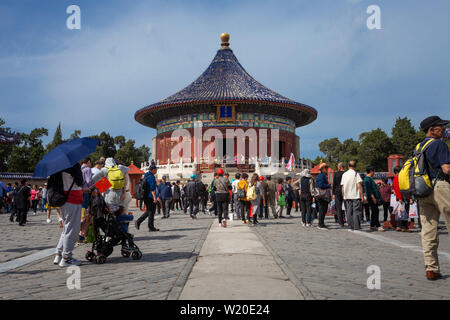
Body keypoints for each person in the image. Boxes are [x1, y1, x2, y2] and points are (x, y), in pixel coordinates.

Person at [416, 116, 450, 280]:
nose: (443, 129)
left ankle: (431, 269)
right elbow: (446, 168)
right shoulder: (439, 144)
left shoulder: (419, 146)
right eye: (440, 126)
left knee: (428, 231)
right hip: (440, 187)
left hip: (423, 190)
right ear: (432, 129)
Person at [53, 162, 86, 267]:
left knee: (66, 229)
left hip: (63, 199)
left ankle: (59, 254)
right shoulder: (74, 165)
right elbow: (79, 182)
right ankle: (66, 258)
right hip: (73, 199)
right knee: (72, 229)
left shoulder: (58, 166)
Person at [134, 165, 159, 231]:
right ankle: (149, 226)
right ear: (153, 170)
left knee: (149, 211)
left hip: (145, 196)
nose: (156, 171)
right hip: (150, 197)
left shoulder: (146, 175)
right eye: (156, 169)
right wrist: (155, 198)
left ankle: (141, 223)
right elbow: (152, 188)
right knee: (151, 212)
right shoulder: (152, 177)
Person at [341, 160, 364, 231]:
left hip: (347, 195)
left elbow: (342, 186)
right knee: (356, 211)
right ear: (355, 166)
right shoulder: (356, 174)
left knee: (349, 211)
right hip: (355, 195)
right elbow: (359, 185)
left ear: (348, 166)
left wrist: (343, 195)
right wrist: (362, 195)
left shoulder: (344, 174)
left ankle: (350, 226)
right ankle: (356, 226)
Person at [364, 166, 384, 232]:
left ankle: (372, 225)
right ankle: (377, 225)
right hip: (372, 197)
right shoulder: (367, 179)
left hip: (373, 197)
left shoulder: (370, 178)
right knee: (375, 211)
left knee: (374, 211)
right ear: (371, 171)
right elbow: (369, 190)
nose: (374, 173)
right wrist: (373, 197)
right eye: (374, 171)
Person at [315, 163, 332, 230]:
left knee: (323, 209)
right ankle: (320, 224)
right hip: (322, 195)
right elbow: (320, 185)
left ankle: (322, 223)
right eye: (326, 168)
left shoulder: (323, 175)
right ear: (322, 169)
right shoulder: (321, 176)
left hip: (323, 195)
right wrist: (329, 186)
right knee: (322, 209)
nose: (327, 169)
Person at [333, 162, 346, 228]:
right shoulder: (346, 173)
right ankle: (347, 219)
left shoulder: (336, 174)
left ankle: (341, 222)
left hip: (338, 191)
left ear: (340, 167)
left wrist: (333, 193)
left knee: (339, 207)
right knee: (347, 206)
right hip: (346, 191)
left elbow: (334, 184)